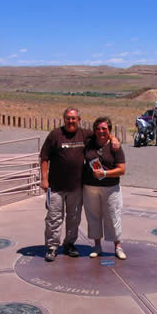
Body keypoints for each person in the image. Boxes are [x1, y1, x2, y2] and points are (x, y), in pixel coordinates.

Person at [39, 107, 119, 262]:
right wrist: (44, 179)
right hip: (55, 187)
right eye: (68, 118)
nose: (71, 121)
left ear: (79, 120)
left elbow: (102, 134)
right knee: (54, 218)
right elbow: (44, 157)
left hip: (76, 186)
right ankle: (52, 247)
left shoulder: (84, 134)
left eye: (73, 118)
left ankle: (69, 244)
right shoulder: (55, 135)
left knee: (74, 218)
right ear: (64, 119)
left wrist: (114, 138)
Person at [83, 116, 126, 260]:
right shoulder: (89, 143)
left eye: (104, 129)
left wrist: (105, 173)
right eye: (98, 128)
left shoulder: (115, 147)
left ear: (109, 130)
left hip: (110, 187)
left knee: (113, 216)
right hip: (90, 186)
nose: (101, 131)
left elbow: (121, 170)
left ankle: (117, 246)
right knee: (93, 217)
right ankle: (97, 246)